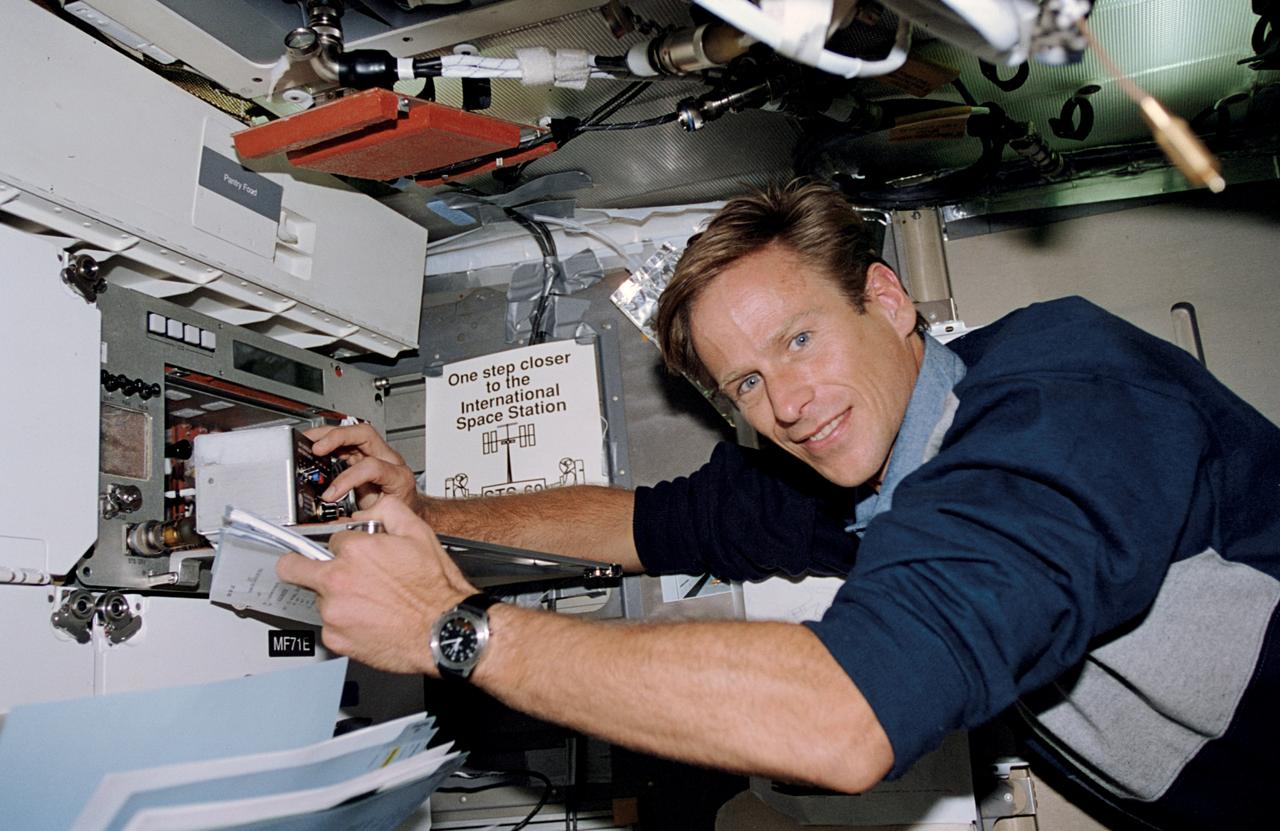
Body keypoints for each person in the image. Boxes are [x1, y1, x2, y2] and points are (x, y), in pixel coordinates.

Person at [278, 180, 1278, 829]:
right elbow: (640, 523)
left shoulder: (1056, 412)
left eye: (797, 339)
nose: (787, 405)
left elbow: (844, 716)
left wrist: (451, 632)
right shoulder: (862, 463)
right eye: (746, 383)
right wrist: (432, 505)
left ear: (885, 301)